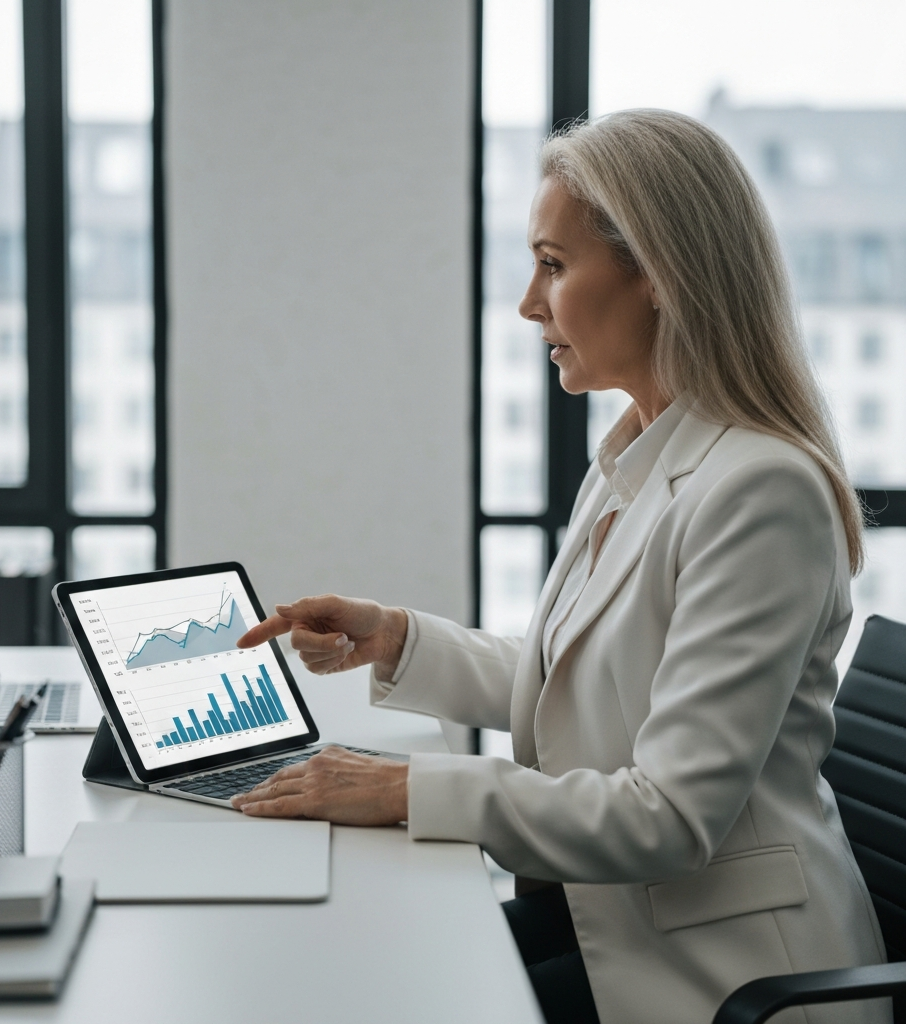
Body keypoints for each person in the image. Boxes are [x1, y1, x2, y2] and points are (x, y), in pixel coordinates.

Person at [231, 110, 889, 1024]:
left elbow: (669, 818)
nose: (528, 304)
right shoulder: (638, 456)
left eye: (552, 264)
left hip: (734, 977)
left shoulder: (760, 492)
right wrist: (395, 638)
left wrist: (405, 789)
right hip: (619, 921)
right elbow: (585, 682)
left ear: (658, 274)